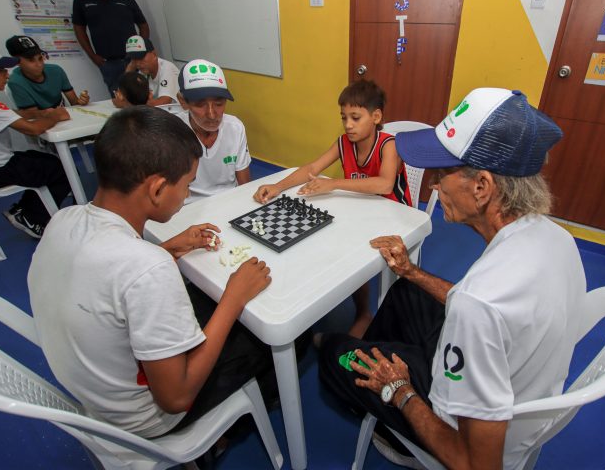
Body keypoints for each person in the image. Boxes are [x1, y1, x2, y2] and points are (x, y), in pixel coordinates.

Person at [318, 88, 587, 470]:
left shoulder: (480, 305)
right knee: (404, 292)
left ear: (482, 187)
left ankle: (383, 399)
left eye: (442, 174)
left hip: (475, 434)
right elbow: (481, 307)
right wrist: (410, 271)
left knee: (333, 350)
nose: (433, 186)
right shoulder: (555, 237)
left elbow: (477, 464)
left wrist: (399, 390)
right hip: (517, 380)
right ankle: (382, 377)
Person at [28, 106, 278, 440]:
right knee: (269, 337)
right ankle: (225, 437)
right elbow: (176, 397)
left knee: (205, 301)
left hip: (90, 389)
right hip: (143, 416)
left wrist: (169, 247)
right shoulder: (147, 267)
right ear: (158, 189)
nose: (187, 194)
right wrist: (234, 298)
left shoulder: (64, 219)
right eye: (187, 185)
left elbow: (110, 279)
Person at [253, 79, 412, 338]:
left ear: (376, 116)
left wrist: (334, 184)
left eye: (355, 117)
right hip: (359, 208)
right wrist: (278, 186)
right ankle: (361, 311)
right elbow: (311, 169)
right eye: (344, 117)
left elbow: (384, 184)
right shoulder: (343, 142)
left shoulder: (389, 144)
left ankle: (367, 315)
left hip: (393, 213)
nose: (348, 124)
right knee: (329, 238)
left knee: (351, 247)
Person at [0, 41, 71, 239]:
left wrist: (32, 113)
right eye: (0, 69)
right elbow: (32, 130)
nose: (7, 74)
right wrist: (54, 115)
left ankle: (22, 209)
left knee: (42, 160)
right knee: (64, 169)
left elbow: (4, 114)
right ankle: (31, 218)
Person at [176, 59, 251, 202]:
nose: (211, 114)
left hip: (229, 200)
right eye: (200, 104)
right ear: (183, 102)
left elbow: (245, 185)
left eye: (219, 103)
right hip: (187, 206)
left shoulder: (235, 128)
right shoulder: (172, 131)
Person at [72, 0, 149, 94]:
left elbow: (143, 24)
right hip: (108, 62)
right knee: (118, 99)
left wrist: (142, 51)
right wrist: (92, 56)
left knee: (142, 95)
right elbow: (79, 29)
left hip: (132, 58)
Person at [5, 35, 90, 117]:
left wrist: (81, 101)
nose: (39, 65)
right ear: (16, 61)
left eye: (40, 58)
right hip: (43, 124)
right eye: (31, 60)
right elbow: (34, 116)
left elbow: (74, 103)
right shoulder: (15, 82)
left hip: (63, 116)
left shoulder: (56, 71)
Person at [115, 36, 178, 107]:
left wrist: (129, 103)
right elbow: (122, 96)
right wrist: (130, 67)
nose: (138, 63)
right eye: (134, 59)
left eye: (141, 58)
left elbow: (164, 102)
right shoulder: (142, 71)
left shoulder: (167, 68)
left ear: (154, 54)